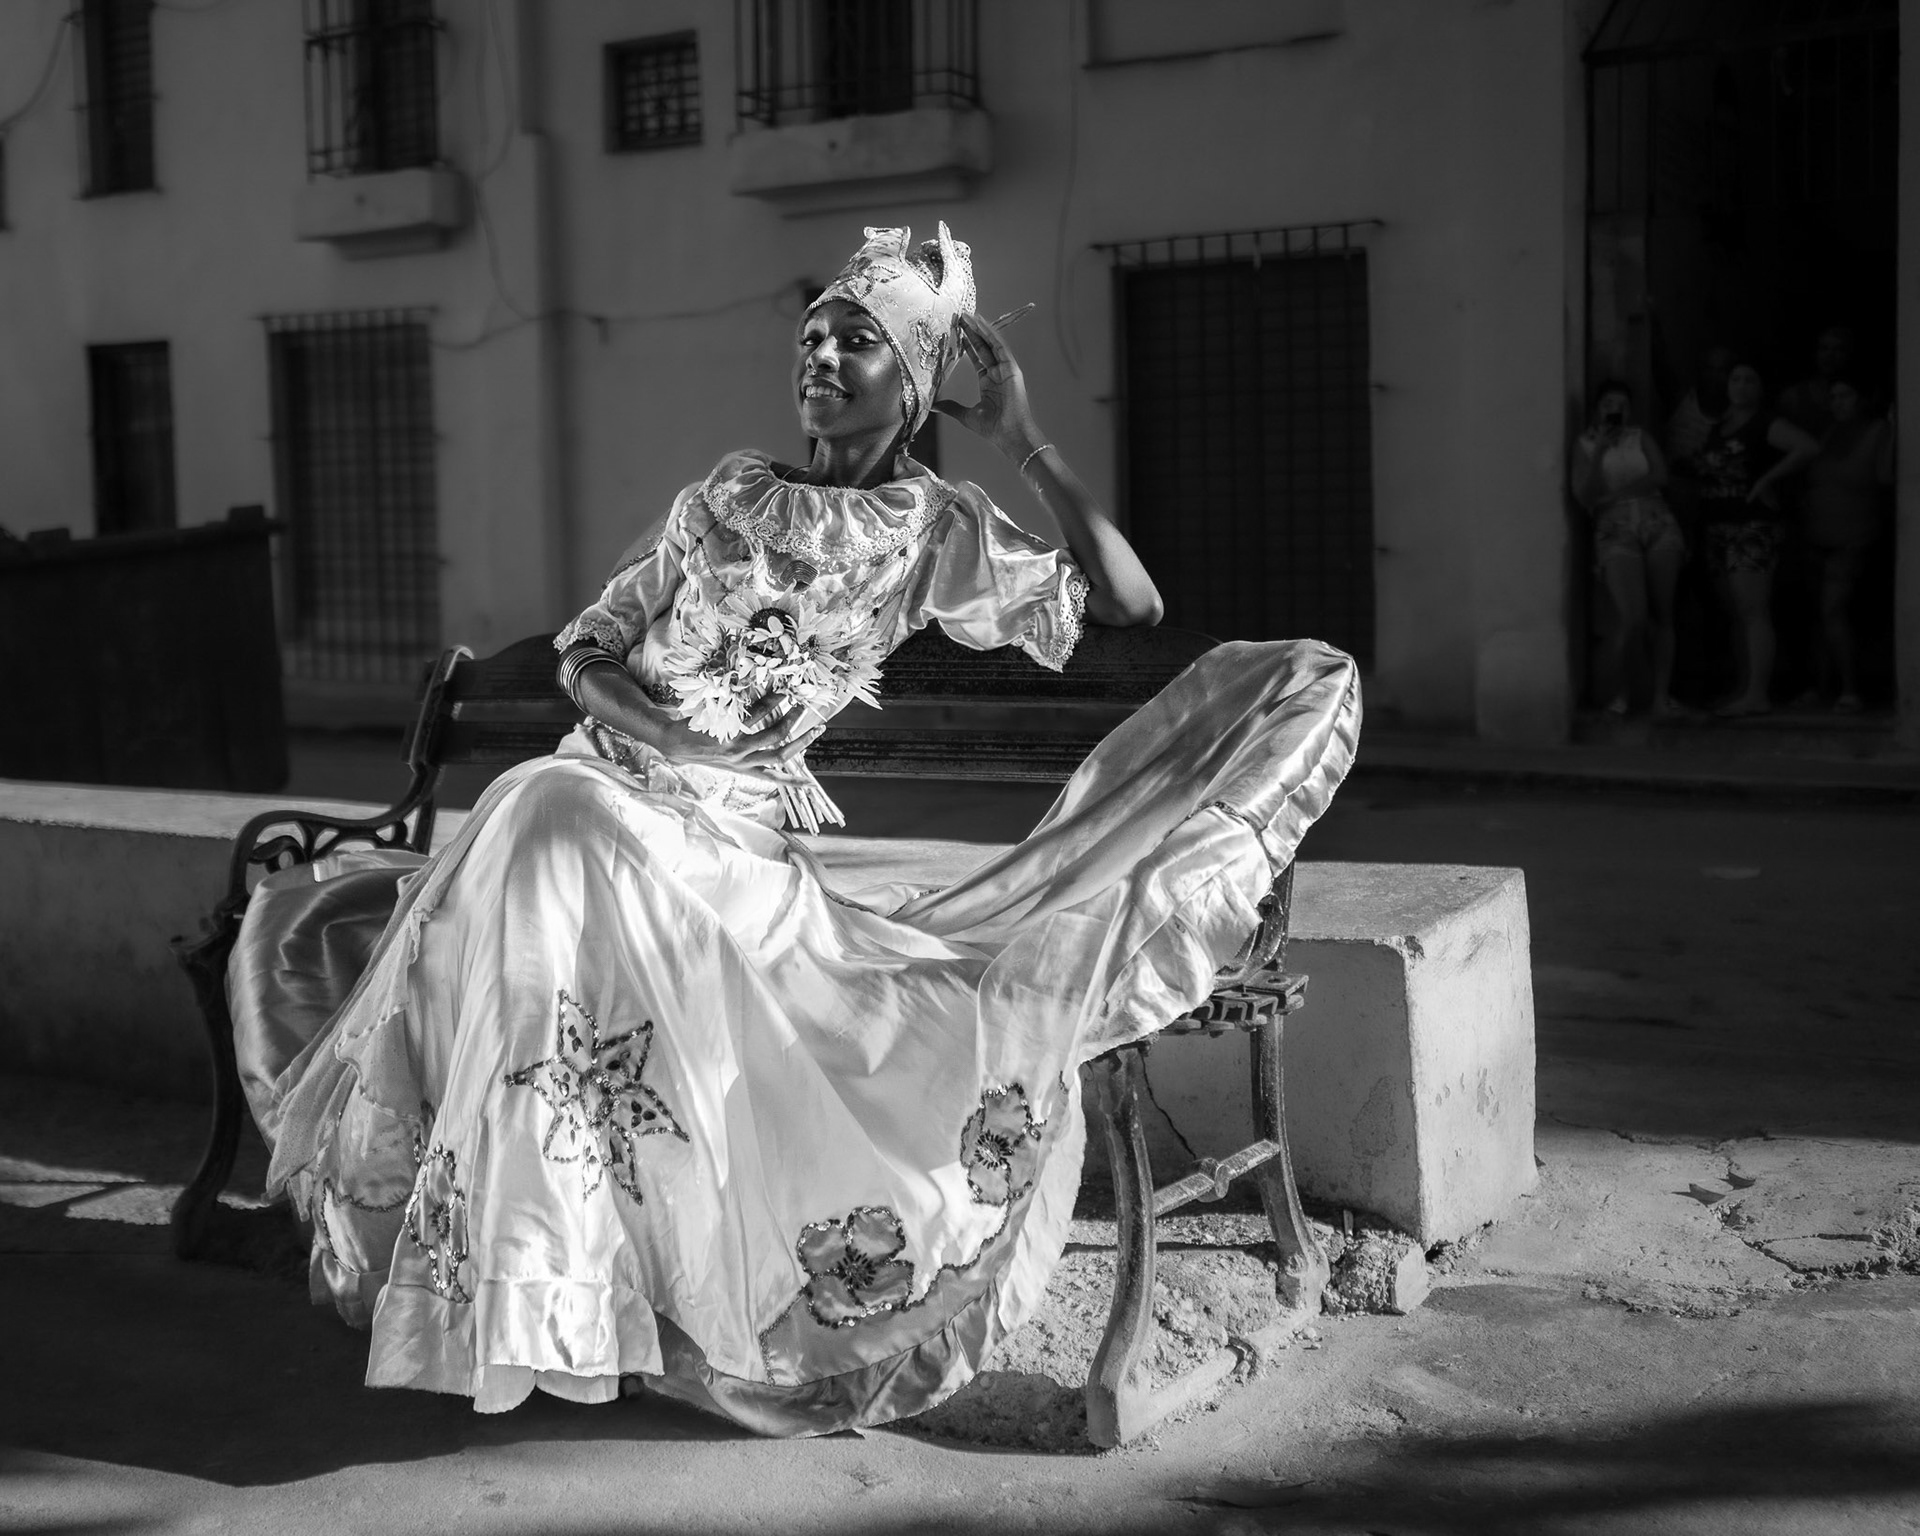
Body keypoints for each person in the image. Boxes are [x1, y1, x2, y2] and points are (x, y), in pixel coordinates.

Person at [230, 224, 1361, 1435]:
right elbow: (587, 653)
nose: (819, 354)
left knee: (541, 818)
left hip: (729, 849)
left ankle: (542, 1292)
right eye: (811, 334)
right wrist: (676, 745)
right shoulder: (724, 494)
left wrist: (1020, 433)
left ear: (914, 382)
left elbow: (1130, 603)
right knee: (543, 807)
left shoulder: (935, 529)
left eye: (856, 339)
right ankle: (537, 1296)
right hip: (608, 797)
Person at [1696, 360, 1820, 716]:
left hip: (1751, 525)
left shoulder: (1766, 423)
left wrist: (1767, 480)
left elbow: (1808, 447)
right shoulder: (1718, 427)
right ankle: (1743, 687)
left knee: (1753, 610)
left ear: (1761, 388)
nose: (1742, 385)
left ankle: (1757, 694)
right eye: (1736, 378)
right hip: (1717, 524)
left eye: (1751, 379)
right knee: (1737, 613)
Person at [1572, 381, 1686, 716]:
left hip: (1656, 519)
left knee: (1663, 612)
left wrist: (1617, 495)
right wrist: (1601, 454)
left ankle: (1661, 696)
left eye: (1621, 403)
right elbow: (1584, 495)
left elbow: (1660, 475)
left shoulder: (1640, 437)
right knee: (1632, 617)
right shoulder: (1584, 444)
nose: (1615, 408)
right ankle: (1625, 691)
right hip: (1615, 527)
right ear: (1598, 408)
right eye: (1608, 402)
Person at [1801, 376, 1894, 711]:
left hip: (1854, 537)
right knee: (1818, 614)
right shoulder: (1827, 432)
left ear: (1862, 398)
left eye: (1846, 395)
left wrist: (1895, 427)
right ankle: (1818, 686)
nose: (1838, 402)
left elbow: (1884, 476)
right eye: (1833, 396)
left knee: (1833, 609)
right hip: (1816, 534)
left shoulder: (1877, 431)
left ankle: (1849, 689)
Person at [1777, 326, 1855, 439]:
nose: (1830, 355)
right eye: (1824, 348)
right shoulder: (1793, 397)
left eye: (1839, 349)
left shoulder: (1859, 400)